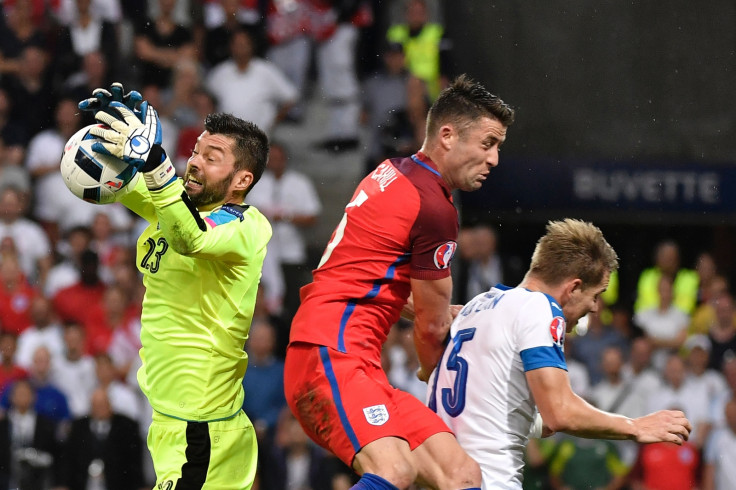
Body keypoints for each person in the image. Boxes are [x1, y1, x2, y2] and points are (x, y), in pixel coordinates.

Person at [284, 75, 515, 489]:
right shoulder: (434, 208)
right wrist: (433, 369)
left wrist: (440, 312)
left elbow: (367, 277)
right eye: (488, 143)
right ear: (447, 135)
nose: (495, 159)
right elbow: (430, 329)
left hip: (354, 361)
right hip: (330, 354)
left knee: (460, 475)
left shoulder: (392, 171)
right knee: (394, 471)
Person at [78, 82, 272, 488]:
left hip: (199, 426)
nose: (194, 162)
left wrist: (153, 163)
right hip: (177, 420)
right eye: (196, 151)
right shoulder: (175, 203)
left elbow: (192, 237)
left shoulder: (243, 224)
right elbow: (120, 186)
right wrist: (102, 141)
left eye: (212, 158)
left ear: (241, 180)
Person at [428, 219, 692, 489]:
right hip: (487, 480)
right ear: (573, 288)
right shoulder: (539, 308)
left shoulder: (478, 305)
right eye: (596, 294)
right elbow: (561, 412)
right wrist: (636, 427)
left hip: (442, 476)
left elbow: (477, 405)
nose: (595, 308)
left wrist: (541, 420)